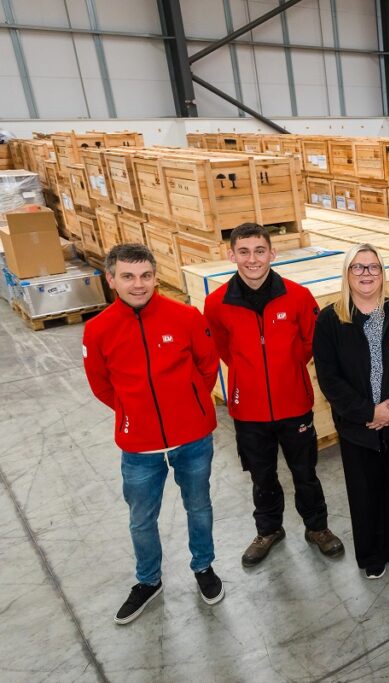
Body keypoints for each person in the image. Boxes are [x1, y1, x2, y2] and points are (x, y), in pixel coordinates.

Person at [83, 243, 223, 625]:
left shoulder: (186, 317)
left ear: (155, 276)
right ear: (111, 279)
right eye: (127, 276)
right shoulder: (98, 330)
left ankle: (204, 568)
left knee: (199, 506)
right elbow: (100, 385)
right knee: (141, 519)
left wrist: (190, 404)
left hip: (192, 438)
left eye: (145, 275)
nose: (138, 284)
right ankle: (148, 580)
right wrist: (133, 414)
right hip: (139, 447)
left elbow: (208, 364)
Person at [203, 223, 344, 567]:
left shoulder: (297, 297)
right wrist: (249, 375)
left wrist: (286, 370)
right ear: (231, 254)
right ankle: (268, 530)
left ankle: (317, 527)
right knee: (261, 475)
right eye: (244, 251)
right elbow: (221, 348)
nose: (253, 259)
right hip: (248, 410)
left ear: (272, 253)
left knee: (305, 472)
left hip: (294, 404)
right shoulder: (216, 303)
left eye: (260, 251)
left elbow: (312, 342)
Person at [312, 244, 389, 579]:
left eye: (373, 267)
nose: (366, 274)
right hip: (356, 427)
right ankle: (371, 555)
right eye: (358, 268)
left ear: (382, 272)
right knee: (364, 494)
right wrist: (367, 412)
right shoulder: (330, 319)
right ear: (347, 274)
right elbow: (329, 378)